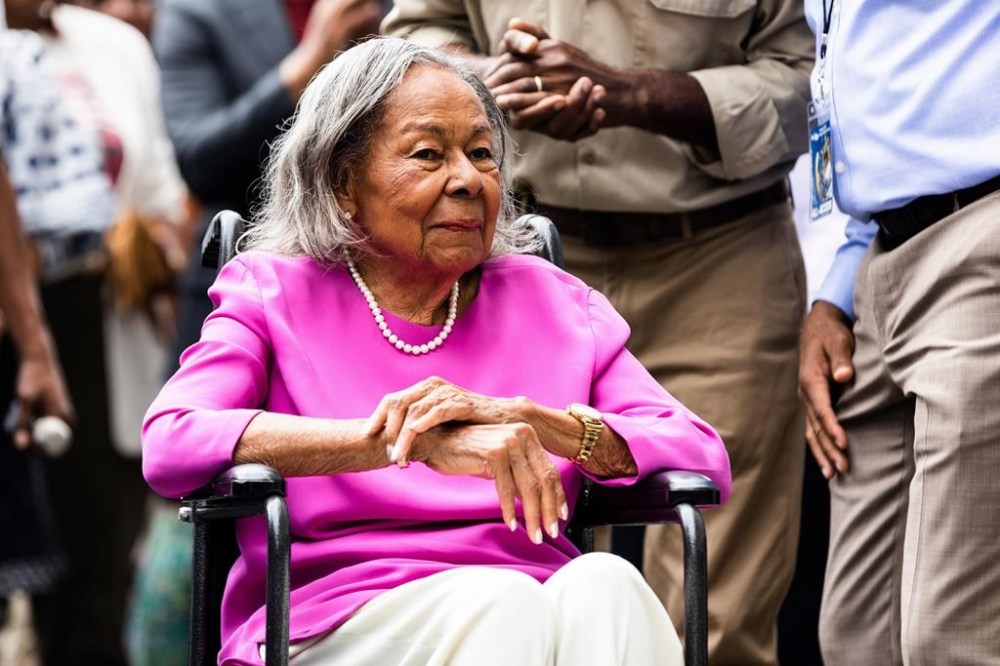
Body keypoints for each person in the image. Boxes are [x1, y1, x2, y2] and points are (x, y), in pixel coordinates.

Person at [142, 37, 731, 666]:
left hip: (532, 603)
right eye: (429, 154)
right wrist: (402, 443)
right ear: (344, 181)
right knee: (503, 604)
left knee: (609, 585)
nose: (468, 180)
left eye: (482, 154)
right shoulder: (273, 290)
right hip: (338, 614)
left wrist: (539, 422)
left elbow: (701, 453)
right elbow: (173, 438)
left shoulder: (552, 301)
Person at [383, 4, 812, 663]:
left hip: (716, 258)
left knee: (717, 602)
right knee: (519, 571)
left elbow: (804, 82)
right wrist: (483, 86)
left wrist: (630, 92)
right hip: (517, 262)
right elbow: (406, 41)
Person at [796, 2, 1000, 665]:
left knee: (952, 638)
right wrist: (838, 290)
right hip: (878, 254)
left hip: (979, 235)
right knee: (855, 637)